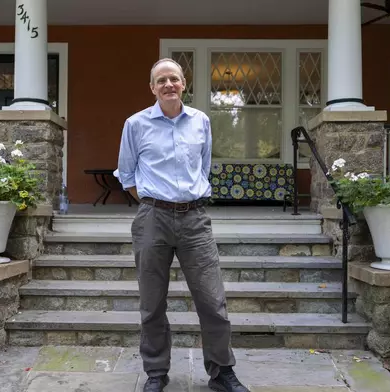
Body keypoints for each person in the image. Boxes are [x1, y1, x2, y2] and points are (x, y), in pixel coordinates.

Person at [115, 58, 250, 392]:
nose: (168, 85)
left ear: (184, 83)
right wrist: (155, 203)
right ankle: (156, 373)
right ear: (152, 88)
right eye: (161, 80)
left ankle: (222, 372)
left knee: (212, 301)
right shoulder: (135, 124)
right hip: (152, 218)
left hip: (194, 219)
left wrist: (184, 200)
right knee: (152, 302)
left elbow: (202, 169)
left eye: (173, 78)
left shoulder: (201, 121)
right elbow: (127, 175)